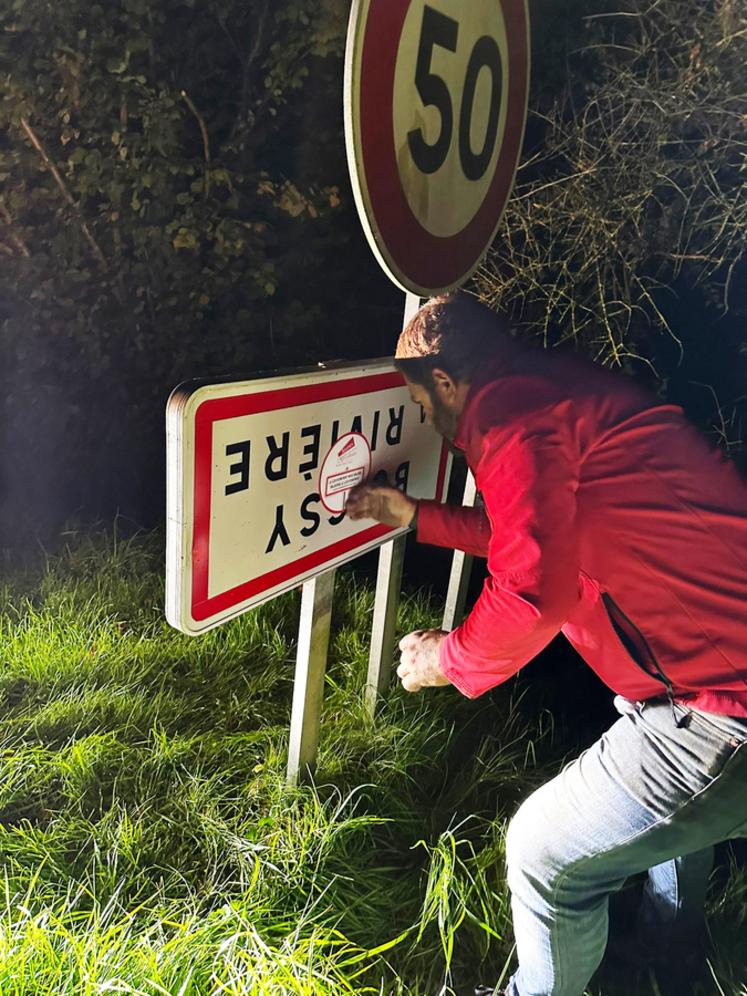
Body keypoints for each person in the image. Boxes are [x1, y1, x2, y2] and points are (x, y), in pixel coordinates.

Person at [345, 293, 747, 996]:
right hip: (701, 683)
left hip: (722, 707)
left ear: (444, 382)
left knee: (541, 853)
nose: (426, 422)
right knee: (660, 785)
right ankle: (670, 963)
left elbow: (533, 591)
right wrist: (418, 517)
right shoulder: (554, 392)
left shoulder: (510, 415)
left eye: (421, 402)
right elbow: (542, 535)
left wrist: (448, 659)